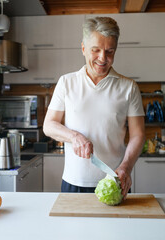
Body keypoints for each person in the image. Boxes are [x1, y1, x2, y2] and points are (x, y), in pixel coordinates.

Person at [43, 17, 146, 199]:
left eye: (109, 51)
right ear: (83, 48)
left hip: (115, 180)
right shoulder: (66, 82)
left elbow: (138, 135)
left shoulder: (129, 87)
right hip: (74, 182)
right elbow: (49, 125)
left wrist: (126, 167)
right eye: (95, 50)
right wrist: (74, 136)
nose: (103, 58)